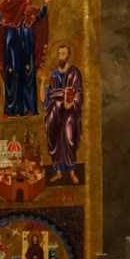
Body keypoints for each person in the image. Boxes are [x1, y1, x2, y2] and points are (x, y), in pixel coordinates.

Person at [0, 0, 53, 117]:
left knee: (27, 71)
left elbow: (38, 16)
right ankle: (10, 109)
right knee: (11, 71)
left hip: (26, 38)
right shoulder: (7, 3)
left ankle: (29, 108)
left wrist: (45, 4)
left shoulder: (26, 1)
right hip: (11, 40)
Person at [40, 43, 83, 184]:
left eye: (63, 53)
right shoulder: (53, 74)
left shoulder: (74, 72)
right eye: (59, 53)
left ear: (68, 55)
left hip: (69, 112)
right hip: (54, 112)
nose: (61, 56)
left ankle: (71, 172)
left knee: (69, 139)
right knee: (54, 140)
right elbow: (45, 98)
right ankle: (58, 172)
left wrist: (72, 103)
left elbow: (79, 92)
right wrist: (42, 82)